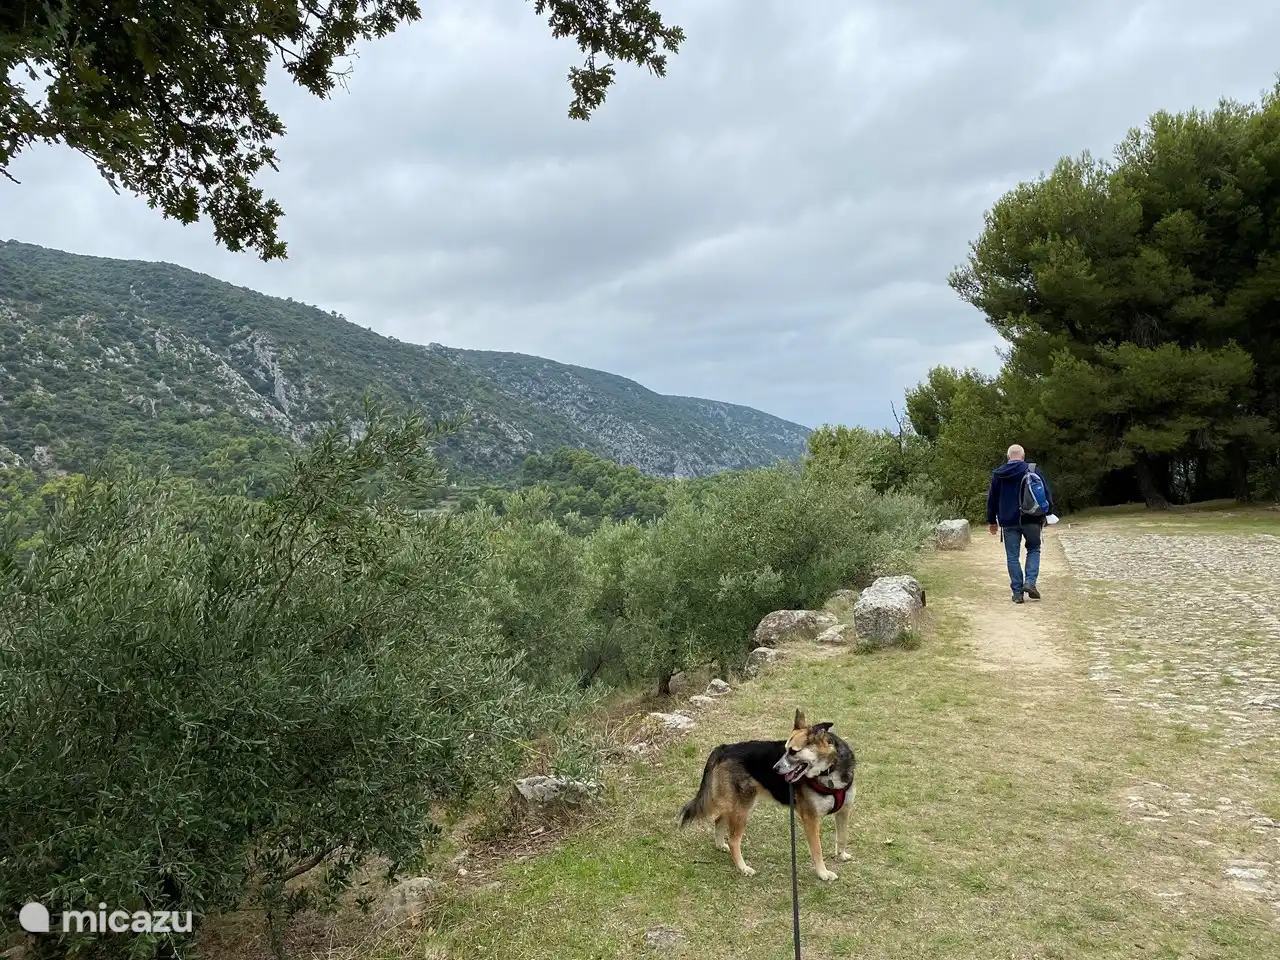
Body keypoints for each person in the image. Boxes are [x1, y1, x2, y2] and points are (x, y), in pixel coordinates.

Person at [986, 444, 1053, 604]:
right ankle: (1030, 582)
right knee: (1034, 550)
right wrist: (1048, 513)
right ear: (1023, 457)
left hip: (1008, 521)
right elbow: (1046, 493)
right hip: (1032, 519)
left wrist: (992, 521)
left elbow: (992, 499)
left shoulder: (999, 474)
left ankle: (1017, 593)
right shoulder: (1033, 470)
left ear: (1008, 457)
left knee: (1012, 557)